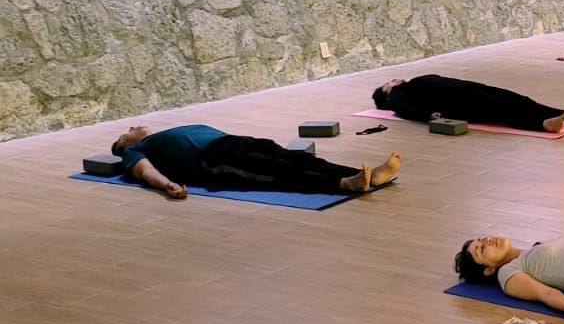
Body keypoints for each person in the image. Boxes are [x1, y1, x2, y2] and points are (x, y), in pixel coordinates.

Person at [108, 124, 401, 200]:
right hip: (214, 160)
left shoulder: (158, 135)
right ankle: (341, 184)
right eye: (126, 133)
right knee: (280, 172)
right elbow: (145, 172)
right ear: (124, 146)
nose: (134, 127)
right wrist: (167, 185)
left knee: (295, 157)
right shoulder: (134, 152)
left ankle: (368, 176)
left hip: (233, 141)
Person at [373, 74, 564, 133]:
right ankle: (541, 124)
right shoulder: (396, 96)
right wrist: (428, 116)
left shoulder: (412, 83)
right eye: (387, 83)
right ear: (386, 93)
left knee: (519, 100)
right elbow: (404, 110)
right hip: (457, 102)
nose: (392, 81)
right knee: (502, 111)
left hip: (469, 88)